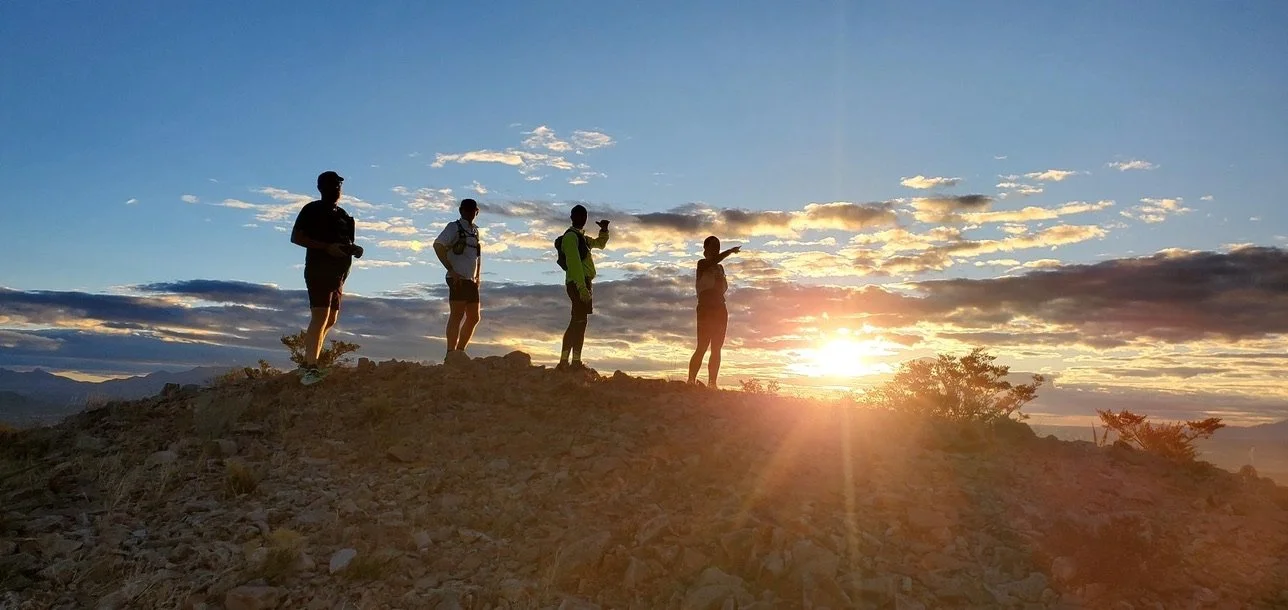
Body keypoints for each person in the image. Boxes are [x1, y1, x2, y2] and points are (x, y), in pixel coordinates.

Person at [289, 170, 362, 385]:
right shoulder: (312, 210)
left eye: (339, 185)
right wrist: (326, 248)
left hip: (339, 273)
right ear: (321, 188)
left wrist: (353, 249)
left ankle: (312, 361)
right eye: (332, 185)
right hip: (318, 269)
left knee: (331, 319)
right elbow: (296, 237)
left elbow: (345, 244)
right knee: (320, 316)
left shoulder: (344, 216)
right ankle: (309, 366)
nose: (336, 189)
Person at [556, 204, 610, 370]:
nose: (582, 219)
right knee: (577, 320)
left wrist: (604, 230)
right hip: (577, 282)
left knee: (580, 321)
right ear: (572, 217)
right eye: (579, 216)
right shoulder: (571, 238)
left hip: (583, 282)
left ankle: (575, 361)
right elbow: (574, 264)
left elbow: (600, 244)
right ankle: (566, 362)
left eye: (584, 216)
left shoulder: (583, 238)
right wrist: (581, 288)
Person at [433, 198, 483, 360]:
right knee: (457, 314)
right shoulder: (453, 227)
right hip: (457, 278)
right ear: (461, 211)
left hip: (470, 280)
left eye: (472, 210)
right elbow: (438, 245)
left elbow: (474, 257)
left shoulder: (475, 230)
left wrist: (477, 278)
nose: (470, 213)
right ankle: (451, 353)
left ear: (476, 211)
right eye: (467, 210)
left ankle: (459, 352)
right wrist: (451, 270)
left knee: (474, 317)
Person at [688, 236, 740, 388]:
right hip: (705, 307)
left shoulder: (720, 268)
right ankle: (691, 380)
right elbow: (713, 261)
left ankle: (712, 383)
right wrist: (729, 251)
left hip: (720, 307)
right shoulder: (702, 263)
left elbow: (724, 287)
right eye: (713, 246)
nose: (716, 249)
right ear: (705, 249)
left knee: (717, 347)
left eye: (718, 246)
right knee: (702, 346)